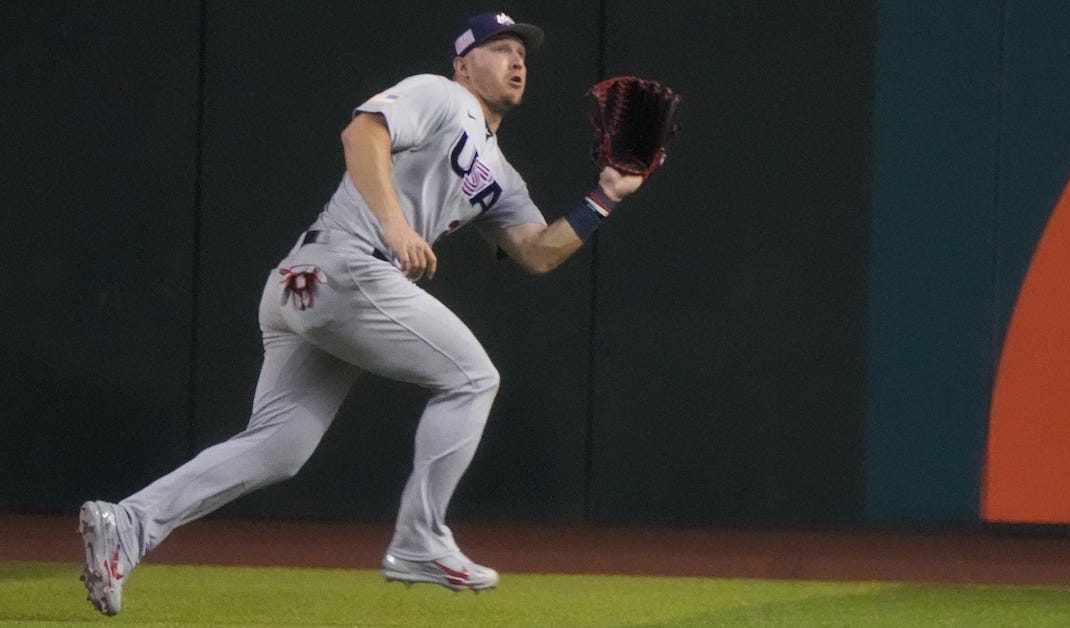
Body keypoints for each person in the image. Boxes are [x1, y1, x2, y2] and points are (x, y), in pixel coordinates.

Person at [78, 11, 645, 616]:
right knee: (472, 377)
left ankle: (130, 522)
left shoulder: (499, 173)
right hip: (349, 264)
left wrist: (605, 196)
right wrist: (396, 224)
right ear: (462, 63)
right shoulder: (440, 94)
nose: (516, 61)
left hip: (308, 282)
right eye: (499, 48)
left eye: (522, 54)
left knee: (278, 447)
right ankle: (420, 538)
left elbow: (536, 253)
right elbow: (362, 135)